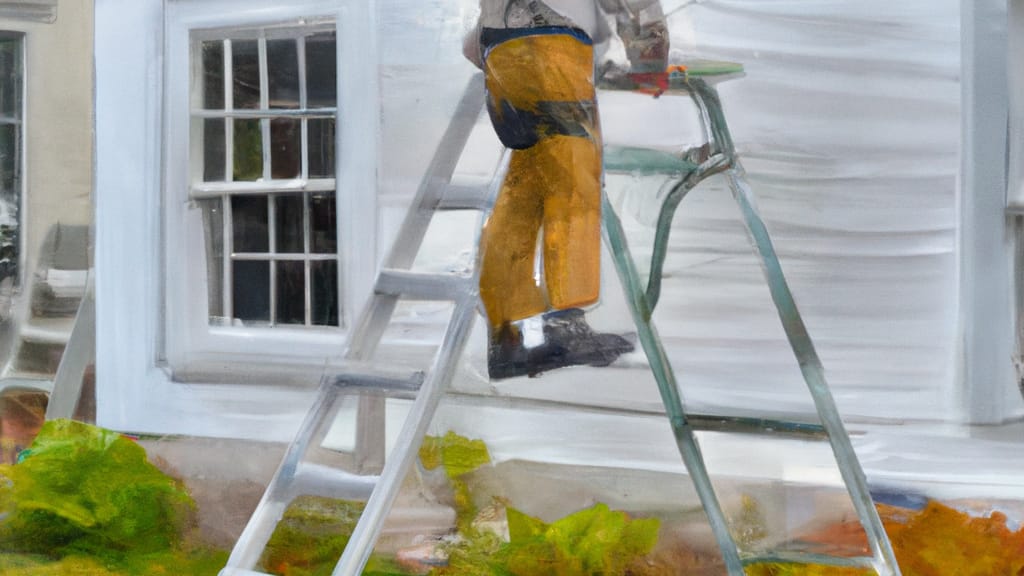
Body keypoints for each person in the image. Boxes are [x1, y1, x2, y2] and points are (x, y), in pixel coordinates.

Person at [464, 0, 669, 379]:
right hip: (553, 49)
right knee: (574, 184)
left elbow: (469, 48)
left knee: (522, 192)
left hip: (501, 54)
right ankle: (566, 325)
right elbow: (639, 11)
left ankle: (506, 337)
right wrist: (650, 65)